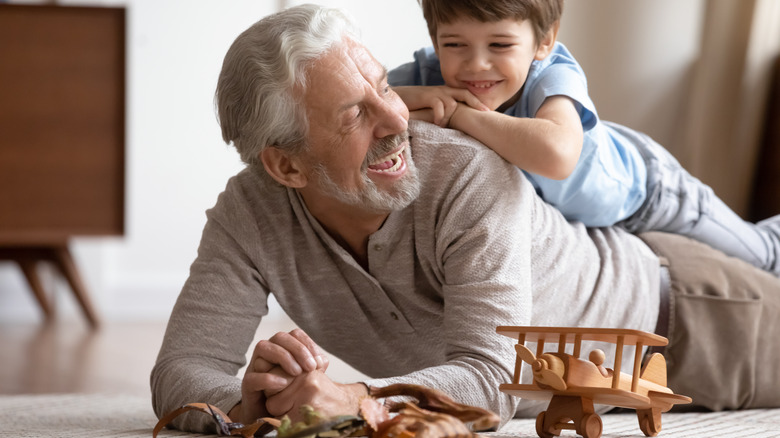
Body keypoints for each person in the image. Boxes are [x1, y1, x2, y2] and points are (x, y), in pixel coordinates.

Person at [150, 3, 780, 435]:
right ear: (285, 168)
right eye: (353, 115)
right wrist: (254, 404)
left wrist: (356, 400)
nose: (400, 119)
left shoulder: (468, 175)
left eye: (384, 87)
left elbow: (488, 375)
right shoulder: (248, 212)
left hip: (694, 316)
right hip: (590, 380)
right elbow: (180, 368)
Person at [388, 0, 780, 277]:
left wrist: (457, 114)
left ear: (544, 41)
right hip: (597, 223)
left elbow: (556, 156)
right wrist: (417, 97)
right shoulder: (429, 73)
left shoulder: (553, 73)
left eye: (500, 45)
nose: (476, 64)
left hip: (652, 195)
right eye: (454, 44)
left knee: (760, 257)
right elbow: (359, 101)